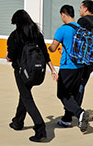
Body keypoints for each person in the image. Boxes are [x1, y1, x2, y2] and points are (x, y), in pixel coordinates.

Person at [5, 10, 57, 143]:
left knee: (27, 98)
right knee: (24, 95)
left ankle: (40, 129)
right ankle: (18, 122)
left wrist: (8, 56)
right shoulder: (36, 34)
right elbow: (45, 54)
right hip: (36, 71)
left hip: (21, 71)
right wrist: (52, 70)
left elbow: (10, 56)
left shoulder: (15, 35)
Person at [48, 4, 90, 132]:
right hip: (80, 66)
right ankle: (66, 120)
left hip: (67, 66)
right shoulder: (80, 28)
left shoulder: (62, 29)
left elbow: (53, 48)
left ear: (63, 14)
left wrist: (49, 48)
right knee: (71, 93)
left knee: (62, 93)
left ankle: (80, 113)